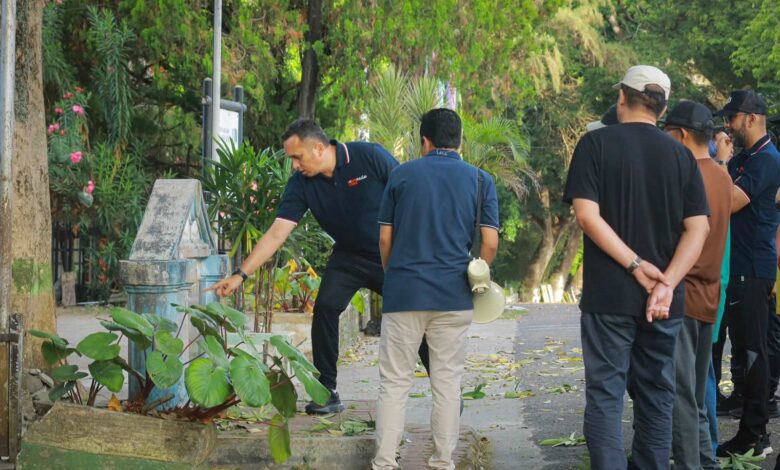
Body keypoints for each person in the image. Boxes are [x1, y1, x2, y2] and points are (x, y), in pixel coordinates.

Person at [207, 119, 430, 414]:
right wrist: (240, 275)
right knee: (325, 307)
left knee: (415, 317)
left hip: (390, 253)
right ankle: (327, 391)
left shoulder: (369, 156)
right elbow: (277, 232)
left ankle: (445, 389)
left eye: (297, 157)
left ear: (319, 147)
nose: (295, 165)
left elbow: (410, 197)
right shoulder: (301, 184)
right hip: (348, 256)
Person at [563, 65, 710, 469]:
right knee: (656, 394)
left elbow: (587, 217)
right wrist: (667, 282)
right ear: (661, 110)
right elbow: (699, 228)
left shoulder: (595, 145)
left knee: (606, 396)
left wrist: (634, 265)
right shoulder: (682, 155)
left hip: (609, 297)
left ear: (622, 98)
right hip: (664, 301)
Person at [371, 108, 499, 470]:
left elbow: (384, 238)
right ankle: (443, 462)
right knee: (446, 383)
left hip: (403, 294)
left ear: (423, 141)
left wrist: (392, 274)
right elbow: (489, 240)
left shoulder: (401, 175)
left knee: (394, 382)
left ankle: (384, 462)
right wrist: (480, 271)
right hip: (453, 295)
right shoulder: (479, 180)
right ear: (460, 141)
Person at [663, 101, 732, 470]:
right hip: (709, 296)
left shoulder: (687, 174)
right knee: (695, 393)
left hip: (684, 294)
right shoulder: (722, 174)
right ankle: (706, 461)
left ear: (682, 134)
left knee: (681, 395)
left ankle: (690, 464)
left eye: (667, 133)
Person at [714, 89, 780, 457]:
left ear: (751, 118)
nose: (727, 125)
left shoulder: (767, 159)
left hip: (752, 268)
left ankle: (754, 436)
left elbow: (728, 202)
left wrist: (721, 161)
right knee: (743, 350)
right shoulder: (746, 157)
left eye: (732, 118)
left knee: (753, 351)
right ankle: (757, 432)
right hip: (737, 267)